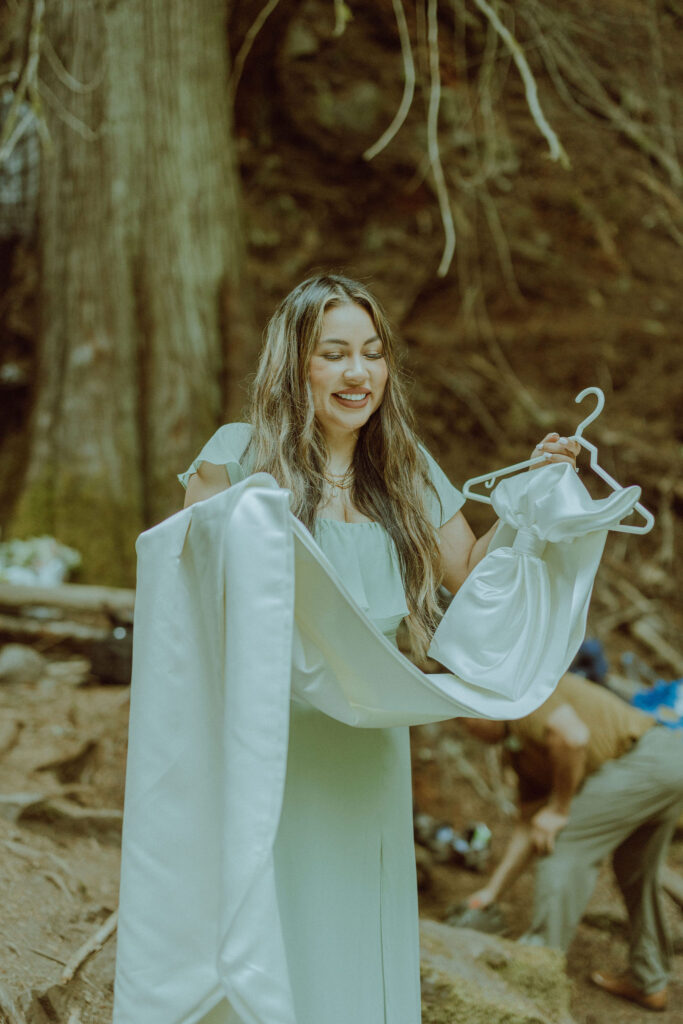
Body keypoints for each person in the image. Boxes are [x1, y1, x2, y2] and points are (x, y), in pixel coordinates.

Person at [179, 273, 579, 1024]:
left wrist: (530, 501)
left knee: (354, 910)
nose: (357, 373)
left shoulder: (405, 469)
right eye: (333, 354)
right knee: (269, 898)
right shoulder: (236, 456)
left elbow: (469, 574)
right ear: (295, 363)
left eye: (371, 352)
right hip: (267, 730)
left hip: (368, 736)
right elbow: (189, 587)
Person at [462, 672, 683, 1013]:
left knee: (563, 843)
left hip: (650, 754)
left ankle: (537, 974)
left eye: (464, 716)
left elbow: (574, 738)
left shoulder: (524, 695)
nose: (466, 728)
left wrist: (560, 808)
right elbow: (528, 826)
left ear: (485, 706)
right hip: (667, 763)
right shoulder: (520, 753)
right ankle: (649, 981)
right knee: (637, 873)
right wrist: (491, 893)